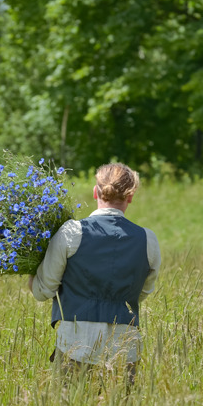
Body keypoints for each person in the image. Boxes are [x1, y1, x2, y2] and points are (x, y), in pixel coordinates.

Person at [27, 163, 160, 385]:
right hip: (124, 348)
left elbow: (44, 291)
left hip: (75, 343)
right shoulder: (148, 239)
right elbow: (143, 292)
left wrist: (31, 275)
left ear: (95, 192)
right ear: (130, 197)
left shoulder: (71, 232)